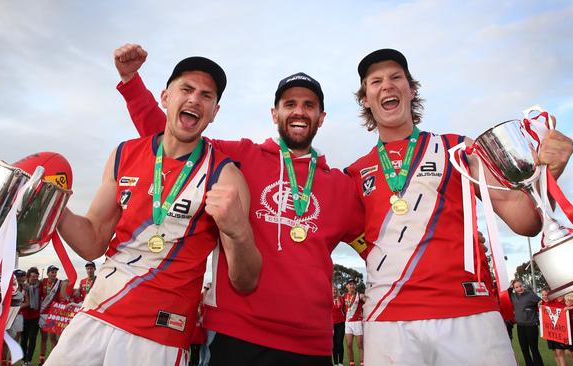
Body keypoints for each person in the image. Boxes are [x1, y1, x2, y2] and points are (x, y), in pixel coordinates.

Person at [114, 43, 365, 365]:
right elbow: (174, 136)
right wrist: (132, 83)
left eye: (309, 105)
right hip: (236, 334)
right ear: (275, 114)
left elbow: (379, 244)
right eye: (289, 104)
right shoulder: (240, 158)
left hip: (311, 342)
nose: (299, 111)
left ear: (321, 117)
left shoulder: (342, 186)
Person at [345, 48, 573, 366]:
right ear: (366, 99)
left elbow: (524, 220)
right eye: (375, 81)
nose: (387, 85)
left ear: (412, 90)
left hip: (470, 314)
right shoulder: (354, 173)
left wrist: (549, 173)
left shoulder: (458, 148)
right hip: (387, 319)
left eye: (396, 77)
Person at [46, 55, 261, 366]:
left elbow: (246, 281)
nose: (194, 100)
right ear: (165, 97)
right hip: (95, 312)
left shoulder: (225, 176)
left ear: (215, 112)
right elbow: (92, 242)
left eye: (206, 96)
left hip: (158, 336)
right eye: (186, 89)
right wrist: (53, 205)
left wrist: (239, 232)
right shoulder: (124, 153)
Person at [511, 280, 544, 366]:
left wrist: (540, 303)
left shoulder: (530, 294)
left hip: (531, 326)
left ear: (523, 285)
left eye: (520, 286)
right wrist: (510, 287)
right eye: (516, 287)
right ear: (514, 288)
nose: (519, 288)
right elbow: (505, 292)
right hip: (520, 327)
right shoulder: (513, 296)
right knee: (524, 349)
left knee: (534, 349)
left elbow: (541, 302)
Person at [39, 265, 63, 365]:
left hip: (52, 314)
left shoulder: (59, 283)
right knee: (43, 338)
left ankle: (53, 361)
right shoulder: (42, 282)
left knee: (52, 338)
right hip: (42, 314)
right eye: (52, 272)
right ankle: (41, 360)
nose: (54, 274)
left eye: (55, 272)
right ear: (48, 273)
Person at [542, 288, 571, 366]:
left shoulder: (554, 302)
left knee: (560, 352)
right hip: (550, 333)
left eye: (546, 295)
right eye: (543, 295)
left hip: (559, 331)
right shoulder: (542, 304)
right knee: (555, 353)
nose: (545, 296)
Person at [21, 266, 40, 366]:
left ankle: (28, 360)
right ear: (28, 277)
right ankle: (23, 358)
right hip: (24, 316)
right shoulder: (23, 287)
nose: (35, 278)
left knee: (32, 338)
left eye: (36, 277)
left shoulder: (39, 286)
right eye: (33, 276)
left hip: (35, 316)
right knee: (24, 338)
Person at [343, 279, 364, 366]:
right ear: (347, 286)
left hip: (358, 322)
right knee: (349, 344)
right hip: (348, 323)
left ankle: (362, 363)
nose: (352, 286)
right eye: (350, 284)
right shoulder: (344, 296)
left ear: (355, 286)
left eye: (353, 284)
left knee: (360, 345)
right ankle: (352, 363)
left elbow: (366, 301)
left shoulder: (359, 295)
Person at [331, 285, 345, 366]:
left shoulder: (342, 299)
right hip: (331, 324)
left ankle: (340, 362)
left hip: (341, 323)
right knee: (334, 344)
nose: (334, 292)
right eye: (332, 290)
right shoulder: (328, 300)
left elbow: (346, 310)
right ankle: (335, 363)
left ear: (337, 291)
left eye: (335, 290)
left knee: (339, 343)